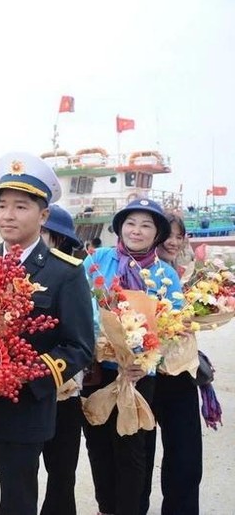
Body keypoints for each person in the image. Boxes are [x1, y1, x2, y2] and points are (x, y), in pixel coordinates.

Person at [0, 152, 94, 515]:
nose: (8, 215)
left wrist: (23, 375)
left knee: (18, 501)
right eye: (2, 205)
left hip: (24, 410)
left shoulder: (65, 272)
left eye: (21, 206)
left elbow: (78, 347)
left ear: (43, 215)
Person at [81, 198, 183, 515]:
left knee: (132, 450)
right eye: (130, 223)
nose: (136, 231)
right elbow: (83, 310)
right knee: (98, 446)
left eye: (146, 225)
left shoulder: (165, 275)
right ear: (120, 227)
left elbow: (174, 327)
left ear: (156, 234)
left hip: (139, 377)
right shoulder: (97, 262)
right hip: (98, 372)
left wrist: (147, 358)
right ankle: (106, 508)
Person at [141, 213, 203, 515]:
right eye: (168, 234)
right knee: (138, 458)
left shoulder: (193, 276)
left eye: (180, 235)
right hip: (144, 374)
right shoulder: (139, 273)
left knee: (186, 458)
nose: (174, 241)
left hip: (180, 373)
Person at [38, 204, 85, 515]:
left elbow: (84, 337)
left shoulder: (72, 277)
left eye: (44, 235)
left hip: (63, 393)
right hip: (23, 395)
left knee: (62, 474)